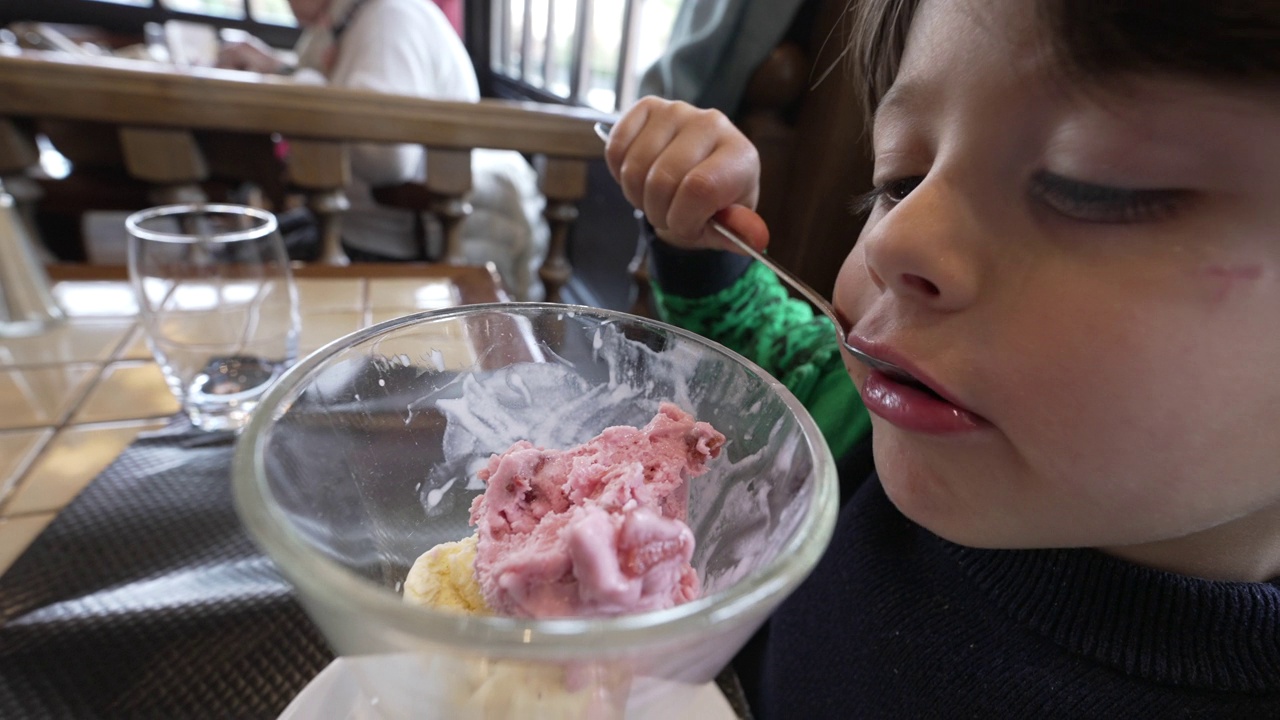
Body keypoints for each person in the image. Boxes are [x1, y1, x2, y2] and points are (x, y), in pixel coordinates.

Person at [603, 0, 1280, 716]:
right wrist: (701, 246)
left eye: (1093, 187)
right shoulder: (867, 424)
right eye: (899, 179)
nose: (892, 241)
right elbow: (772, 364)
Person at [217, 0, 549, 299]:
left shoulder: (390, 19)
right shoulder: (363, 17)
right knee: (239, 255)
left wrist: (298, 85)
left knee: (235, 275)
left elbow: (386, 160)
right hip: (355, 224)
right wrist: (283, 71)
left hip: (385, 243)